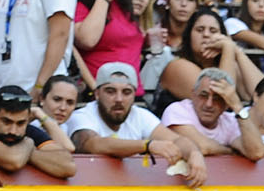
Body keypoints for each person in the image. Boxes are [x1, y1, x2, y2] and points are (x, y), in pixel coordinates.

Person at [65, 62, 206, 184]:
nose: (119, 99)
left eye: (126, 92)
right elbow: (94, 144)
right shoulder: (82, 115)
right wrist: (147, 145)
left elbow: (177, 140)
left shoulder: (139, 115)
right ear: (97, 94)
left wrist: (194, 153)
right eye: (110, 91)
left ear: (134, 95)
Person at [0, 83, 76, 178]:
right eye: (6, 122)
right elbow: (13, 162)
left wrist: (28, 154)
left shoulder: (29, 130)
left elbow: (68, 167)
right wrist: (28, 143)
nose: (13, 131)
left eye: (20, 123)